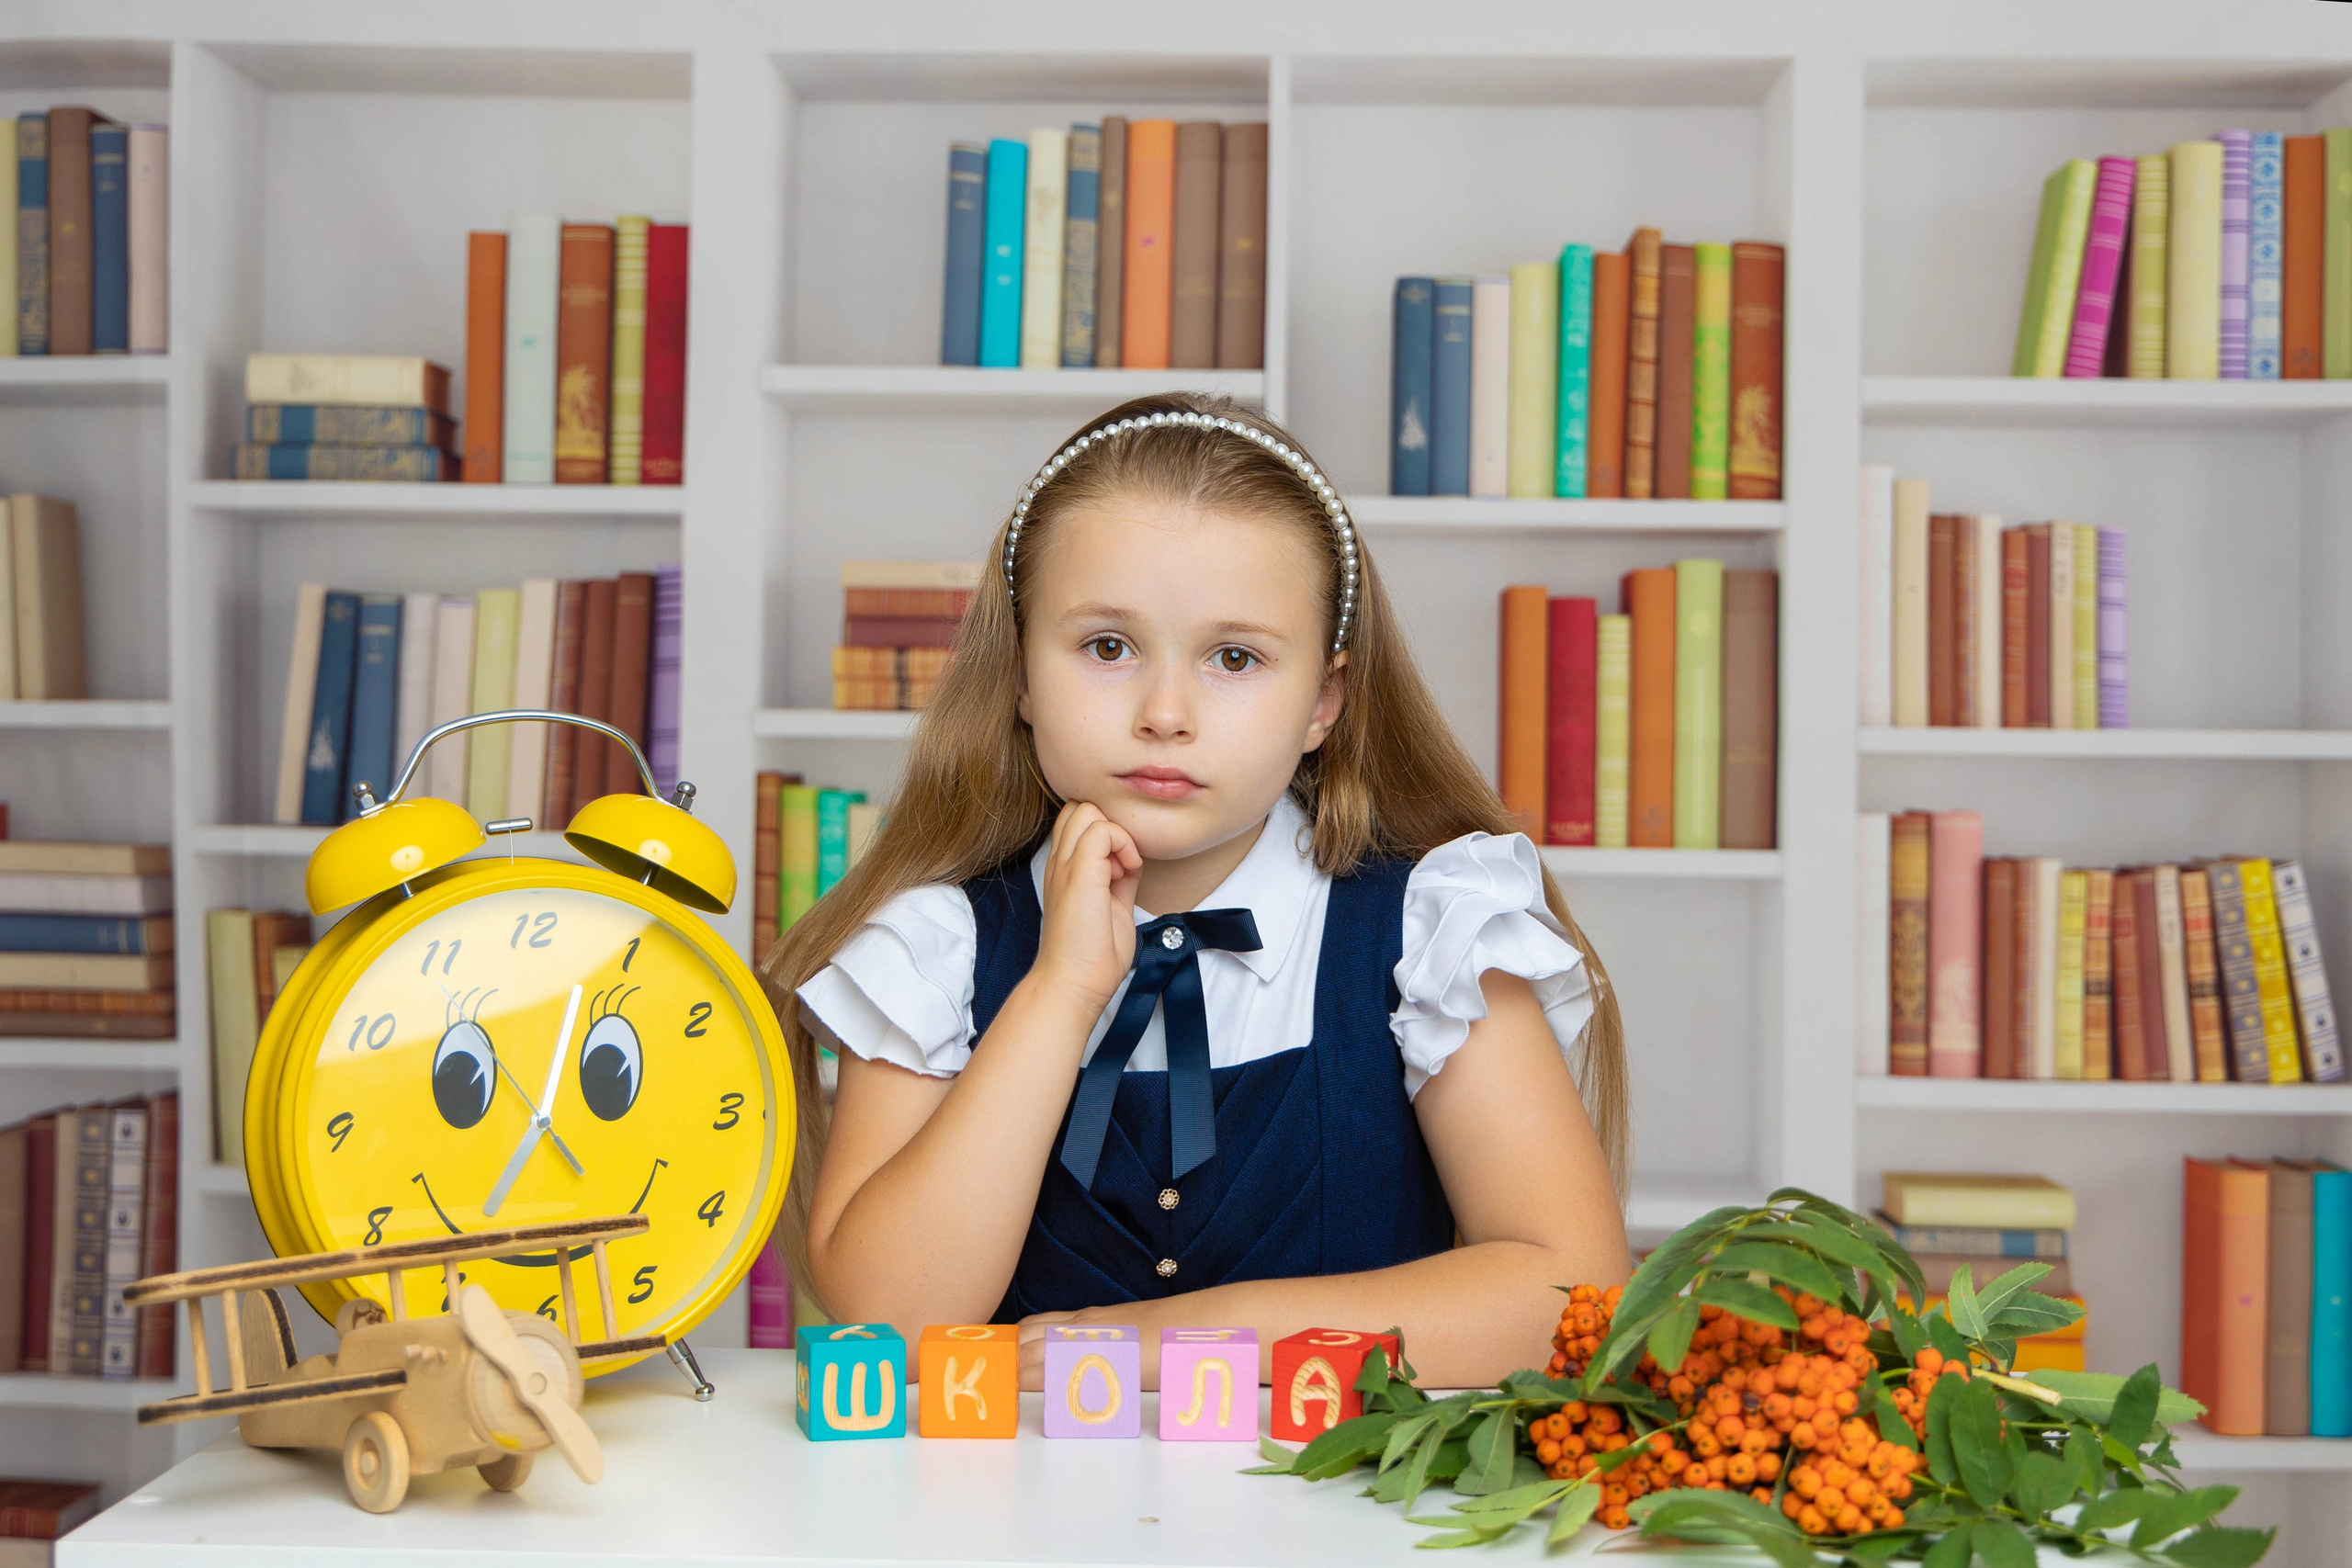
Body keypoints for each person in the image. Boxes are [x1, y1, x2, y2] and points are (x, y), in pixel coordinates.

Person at [761, 393, 1630, 1392]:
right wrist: (1059, 994)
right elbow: (891, 1321)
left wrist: (1180, 1341)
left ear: (1322, 703)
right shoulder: (938, 947)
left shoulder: (1432, 932)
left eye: (1233, 658)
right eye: (1106, 648)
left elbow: (1575, 1305)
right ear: (1020, 680)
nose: (1163, 713)